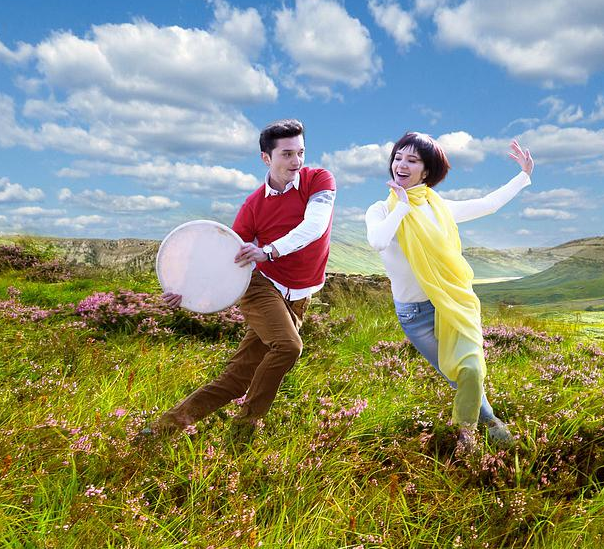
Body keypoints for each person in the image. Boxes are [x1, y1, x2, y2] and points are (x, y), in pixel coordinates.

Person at [149, 119, 336, 440]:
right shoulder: (253, 206)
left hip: (299, 297)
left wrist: (269, 250)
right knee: (289, 347)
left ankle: (163, 429)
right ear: (266, 158)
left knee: (237, 378)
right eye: (287, 154)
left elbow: (315, 226)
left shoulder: (319, 180)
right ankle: (243, 430)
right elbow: (225, 260)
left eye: (301, 152)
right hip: (261, 287)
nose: (296, 161)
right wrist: (185, 291)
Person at [365, 132, 533, 446]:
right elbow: (378, 240)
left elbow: (488, 204)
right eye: (398, 158)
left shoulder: (438, 206)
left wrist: (523, 176)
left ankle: (471, 433)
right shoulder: (381, 210)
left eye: (412, 160)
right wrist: (402, 207)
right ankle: (489, 423)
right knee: (458, 375)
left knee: (471, 369)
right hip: (416, 315)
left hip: (454, 302)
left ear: (426, 171)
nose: (401, 165)